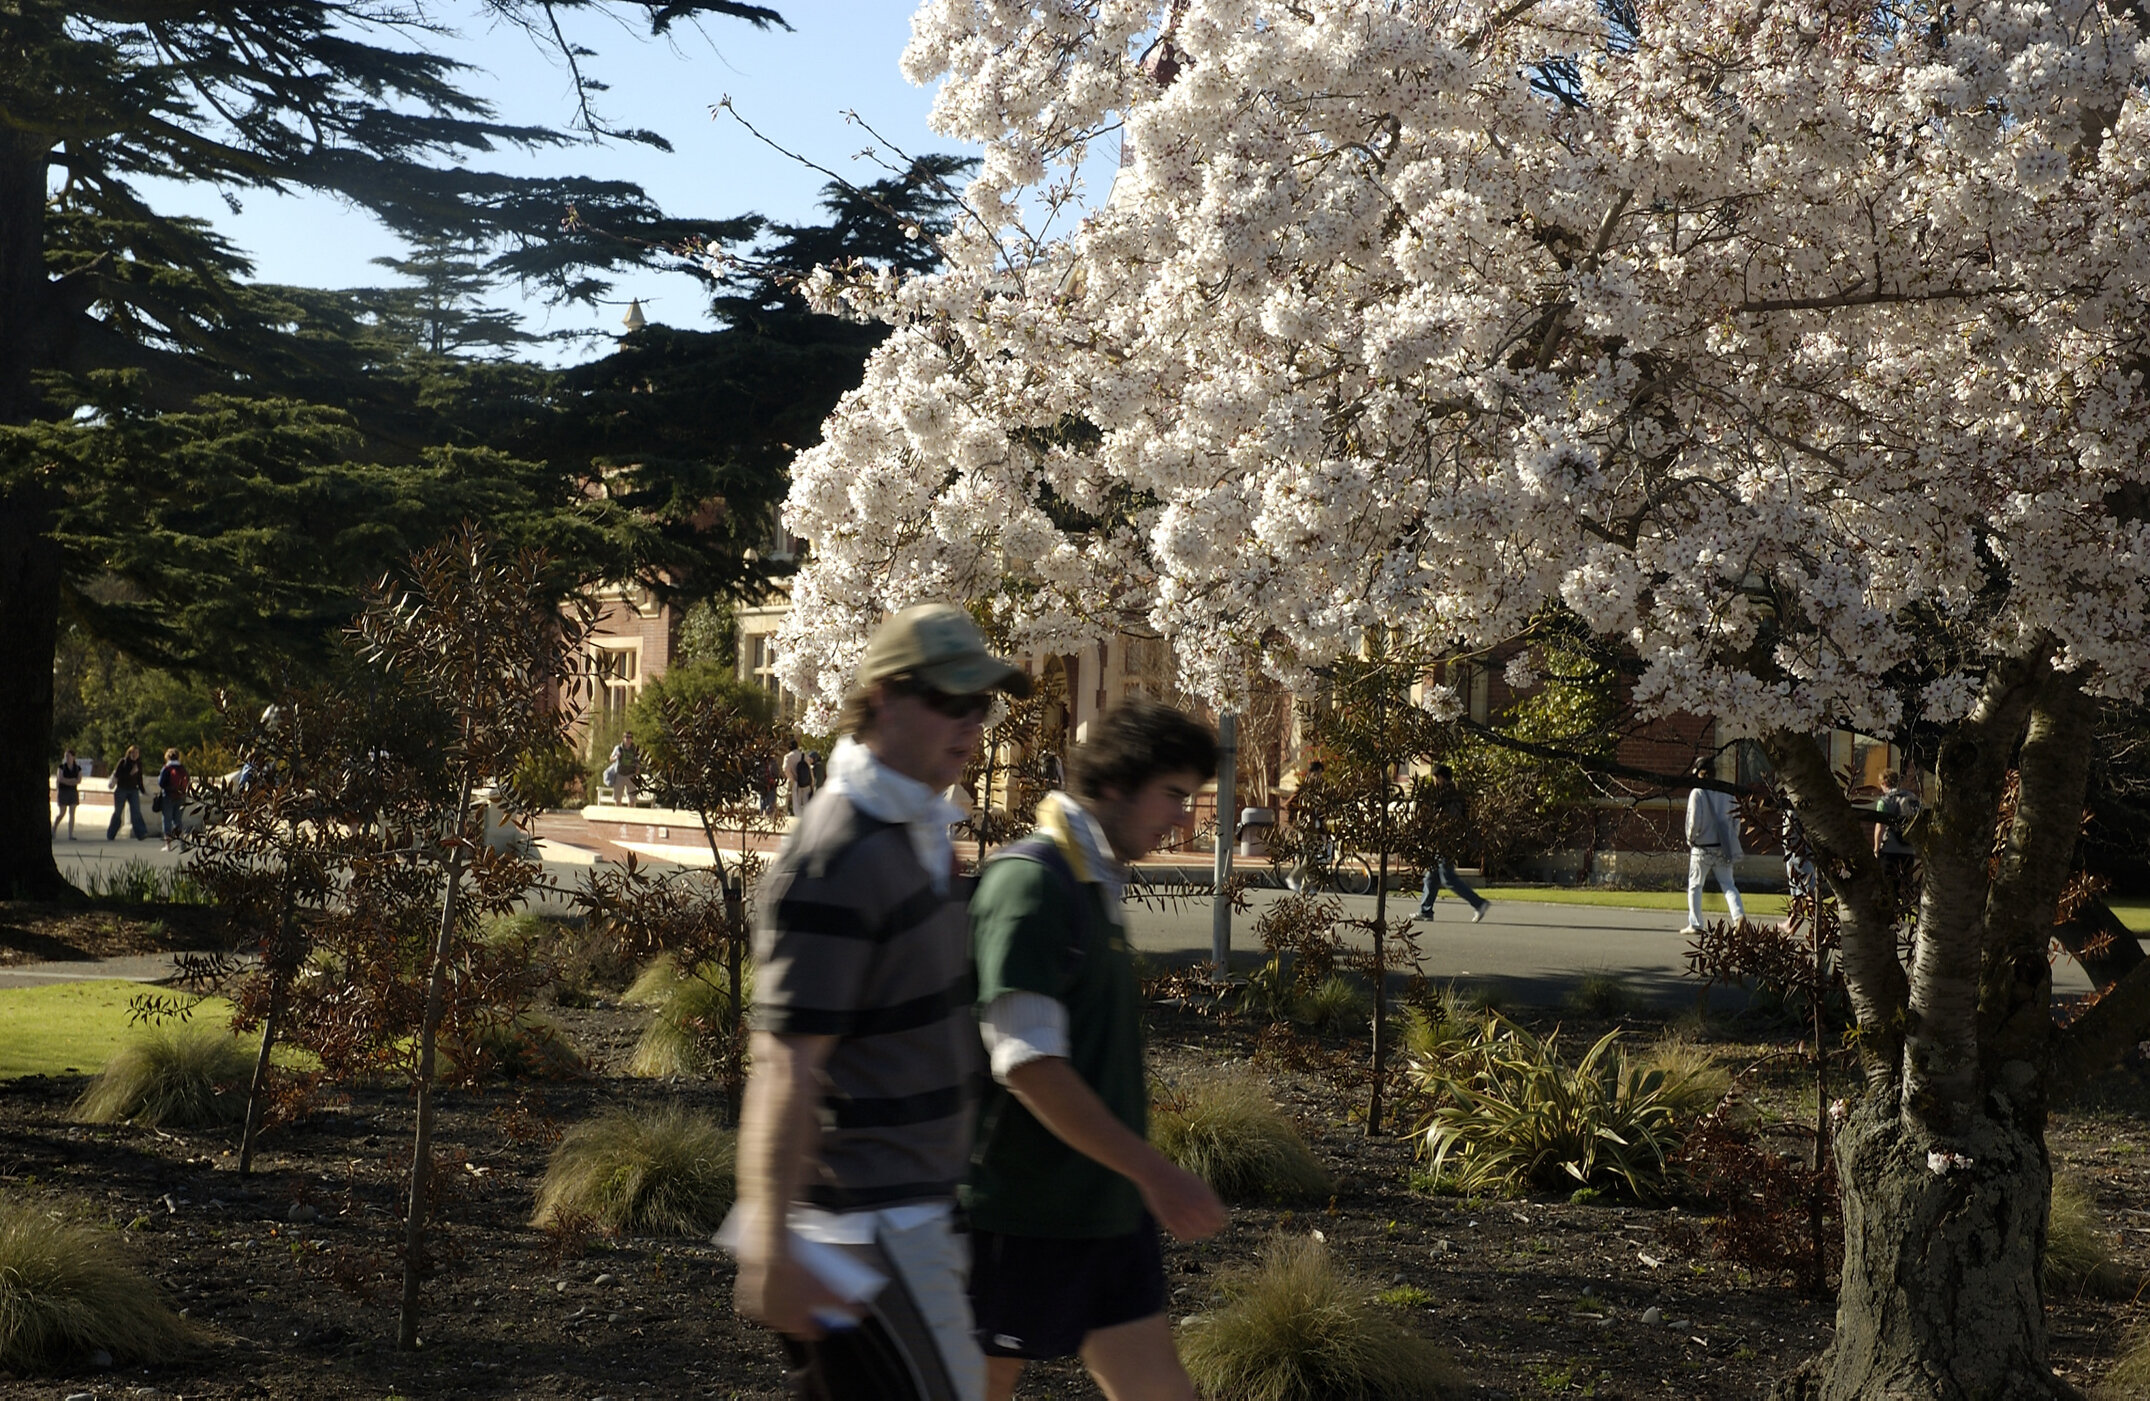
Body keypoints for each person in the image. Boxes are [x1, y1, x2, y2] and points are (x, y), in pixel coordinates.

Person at [730, 603, 1030, 1401]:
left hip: (915, 1216)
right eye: (949, 700)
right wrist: (770, 1241)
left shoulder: (914, 831)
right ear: (888, 697)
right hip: (866, 1236)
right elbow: (786, 1063)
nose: (970, 722)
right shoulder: (839, 852)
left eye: (980, 703)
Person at [966, 700, 1229, 1401]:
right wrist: (1158, 1173)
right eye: (1173, 795)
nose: (1182, 817)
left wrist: (1138, 1181)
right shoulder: (1032, 884)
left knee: (1157, 1388)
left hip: (1105, 1210)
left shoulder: (1093, 881)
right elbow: (1028, 1065)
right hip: (1017, 1214)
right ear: (1113, 783)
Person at [1415, 764, 1489, 922]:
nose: (1434, 782)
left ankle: (1479, 903)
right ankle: (1426, 910)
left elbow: (1450, 820)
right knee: (1431, 876)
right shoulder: (1451, 794)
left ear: (1440, 777)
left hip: (1446, 842)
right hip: (1444, 841)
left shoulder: (1450, 796)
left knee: (1447, 878)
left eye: (1435, 778)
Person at [1682, 758, 1745, 933]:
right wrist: (1731, 839)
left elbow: (1694, 821)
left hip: (1702, 847)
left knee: (1695, 885)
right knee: (1728, 884)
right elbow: (1736, 820)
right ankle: (1739, 916)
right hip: (1722, 846)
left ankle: (1695, 924)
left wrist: (1690, 838)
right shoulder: (1727, 792)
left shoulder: (1698, 793)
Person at [1873, 767, 1922, 906]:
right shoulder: (1912, 798)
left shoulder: (1885, 801)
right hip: (1908, 849)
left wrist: (1876, 848)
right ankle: (1906, 910)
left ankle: (1891, 912)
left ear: (1884, 783)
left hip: (1890, 849)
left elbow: (1880, 826)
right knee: (1906, 882)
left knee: (1889, 885)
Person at [1283, 759, 1328, 892]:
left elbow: (1319, 812)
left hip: (1314, 828)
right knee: (1308, 857)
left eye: (1320, 774)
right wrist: (1296, 822)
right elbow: (1288, 805)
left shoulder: (1318, 790)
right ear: (1311, 773)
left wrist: (1323, 832)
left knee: (1312, 857)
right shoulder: (1303, 788)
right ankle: (1292, 877)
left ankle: (1307, 886)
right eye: (1317, 773)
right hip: (1305, 828)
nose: (1319, 776)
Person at [106, 744, 147, 841]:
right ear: (129, 753)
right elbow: (118, 775)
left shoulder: (138, 764)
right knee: (118, 812)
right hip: (122, 789)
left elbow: (139, 779)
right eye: (133, 753)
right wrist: (130, 773)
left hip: (133, 790)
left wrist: (143, 790)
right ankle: (111, 834)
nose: (135, 755)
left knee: (136, 811)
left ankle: (141, 833)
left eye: (136, 753)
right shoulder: (123, 762)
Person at [156, 747, 191, 850]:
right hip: (181, 797)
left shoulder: (167, 768)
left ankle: (168, 845)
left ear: (167, 757)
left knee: (167, 820)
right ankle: (182, 843)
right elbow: (187, 780)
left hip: (168, 797)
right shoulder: (182, 768)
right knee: (178, 821)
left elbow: (161, 783)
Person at [52, 747, 83, 840]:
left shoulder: (78, 768)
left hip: (73, 791)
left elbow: (79, 780)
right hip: (63, 791)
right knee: (62, 812)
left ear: (73, 757)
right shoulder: (61, 767)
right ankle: (54, 828)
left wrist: (68, 781)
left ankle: (70, 834)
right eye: (66, 756)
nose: (67, 758)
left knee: (72, 812)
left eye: (68, 756)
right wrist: (71, 781)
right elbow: (60, 779)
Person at [782, 734, 814, 816]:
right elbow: (809, 769)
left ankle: (799, 819)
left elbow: (785, 768)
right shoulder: (803, 755)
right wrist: (812, 782)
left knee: (797, 803)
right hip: (806, 782)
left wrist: (792, 779)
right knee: (806, 801)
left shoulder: (788, 757)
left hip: (796, 783)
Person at [609, 730, 641, 806]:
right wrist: (616, 757)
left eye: (630, 737)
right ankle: (618, 815)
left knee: (632, 798)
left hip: (631, 775)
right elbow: (611, 758)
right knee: (618, 798)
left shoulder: (635, 749)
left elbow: (638, 761)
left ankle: (630, 816)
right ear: (623, 738)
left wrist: (638, 769)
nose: (628, 739)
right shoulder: (618, 748)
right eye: (626, 737)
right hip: (620, 774)